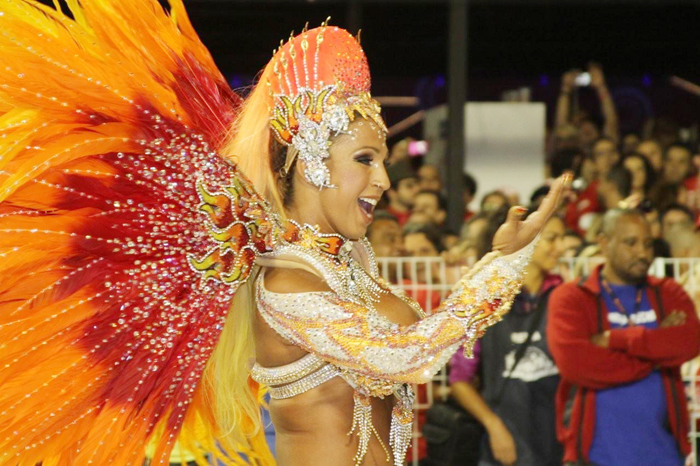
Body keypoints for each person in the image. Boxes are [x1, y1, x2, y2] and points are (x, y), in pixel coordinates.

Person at [0, 2, 572, 465]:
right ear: (312, 159)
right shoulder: (285, 284)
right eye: (367, 159)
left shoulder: (350, 264)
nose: (384, 178)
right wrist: (500, 266)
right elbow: (406, 358)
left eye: (384, 160)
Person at [547, 209, 700, 465]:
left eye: (648, 244)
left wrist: (616, 341)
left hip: (664, 454)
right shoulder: (571, 297)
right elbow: (578, 365)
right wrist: (655, 351)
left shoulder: (669, 292)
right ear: (604, 243)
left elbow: (689, 341)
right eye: (631, 243)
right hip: (595, 456)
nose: (642, 252)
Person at [450, 215, 566, 466]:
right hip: (505, 444)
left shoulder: (565, 296)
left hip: (557, 440)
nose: (561, 247)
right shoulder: (484, 302)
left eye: (562, 238)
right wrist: (494, 427)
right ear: (525, 241)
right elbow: (459, 380)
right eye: (552, 238)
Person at [385, 159, 420, 226]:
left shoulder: (422, 216)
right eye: (409, 186)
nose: (417, 189)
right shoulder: (382, 220)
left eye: (417, 184)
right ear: (392, 192)